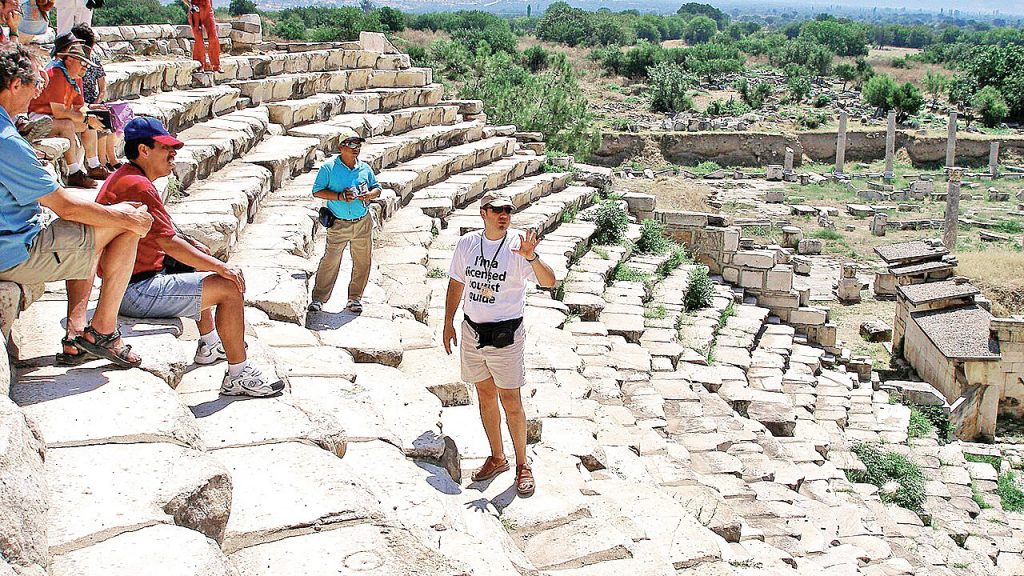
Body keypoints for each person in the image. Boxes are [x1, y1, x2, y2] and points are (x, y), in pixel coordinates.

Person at [95, 116, 285, 398]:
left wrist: (199, 252)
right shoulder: (138, 185)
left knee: (198, 256)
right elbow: (167, 242)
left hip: (128, 281)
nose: (173, 155)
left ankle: (209, 344)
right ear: (144, 151)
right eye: (165, 148)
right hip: (134, 291)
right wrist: (223, 268)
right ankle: (238, 375)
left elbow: (164, 236)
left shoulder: (128, 176)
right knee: (228, 288)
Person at [0, 41, 152, 368]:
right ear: (14, 85)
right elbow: (65, 207)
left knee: (95, 224)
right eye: (34, 85)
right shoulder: (5, 141)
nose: (36, 94)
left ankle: (77, 334)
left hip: (11, 236)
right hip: (11, 250)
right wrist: (123, 215)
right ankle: (102, 331)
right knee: (126, 224)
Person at [442, 190, 556, 496]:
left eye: (508, 209)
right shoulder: (467, 244)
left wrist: (532, 256)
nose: (504, 214)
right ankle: (497, 456)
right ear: (483, 213)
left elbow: (549, 281)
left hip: (506, 336)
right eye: (497, 209)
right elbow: (456, 283)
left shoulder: (519, 245)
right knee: (485, 396)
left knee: (512, 401)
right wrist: (447, 323)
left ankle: (523, 465)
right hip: (472, 332)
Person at [307, 127, 381, 314]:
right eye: (351, 144)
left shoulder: (365, 168)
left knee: (362, 261)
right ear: (341, 147)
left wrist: (369, 195)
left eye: (358, 144)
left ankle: (355, 298)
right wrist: (339, 197)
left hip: (362, 221)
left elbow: (377, 188)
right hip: (339, 223)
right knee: (330, 260)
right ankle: (318, 299)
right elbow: (317, 191)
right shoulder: (328, 168)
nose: (356, 148)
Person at [29, 34, 108, 188]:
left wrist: (89, 115)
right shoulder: (56, 74)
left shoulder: (76, 77)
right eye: (82, 63)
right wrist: (84, 118)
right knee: (67, 125)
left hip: (53, 117)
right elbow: (59, 112)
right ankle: (74, 173)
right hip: (38, 117)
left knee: (89, 125)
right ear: (69, 60)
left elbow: (79, 107)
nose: (85, 67)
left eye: (87, 64)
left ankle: (94, 166)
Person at [70, 23, 120, 172]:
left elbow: (102, 87)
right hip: (82, 105)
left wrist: (97, 102)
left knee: (105, 114)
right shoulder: (72, 65)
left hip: (90, 101)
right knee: (99, 117)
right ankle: (101, 163)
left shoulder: (94, 61)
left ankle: (110, 159)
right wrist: (91, 106)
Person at [182, 0, 220, 73]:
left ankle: (216, 65)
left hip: (208, 9)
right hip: (196, 9)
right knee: (199, 39)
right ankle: (199, 65)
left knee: (213, 36)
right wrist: (190, 5)